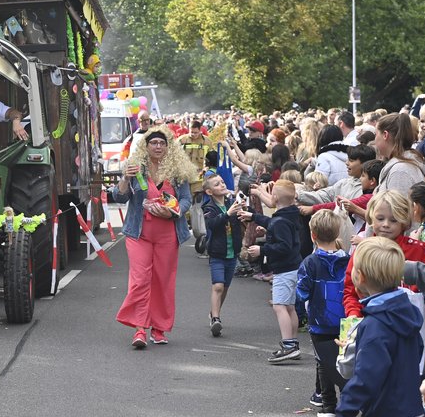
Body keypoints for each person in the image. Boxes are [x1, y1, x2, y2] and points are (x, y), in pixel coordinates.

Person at [336, 237, 425, 417]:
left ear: (360, 276)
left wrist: (347, 407)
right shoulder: (408, 313)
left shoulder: (375, 324)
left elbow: (367, 374)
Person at [111, 125, 197, 348]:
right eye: (153, 143)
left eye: (162, 143)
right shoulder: (136, 168)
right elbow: (119, 198)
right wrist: (123, 179)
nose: (158, 146)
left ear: (169, 147)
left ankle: (159, 329)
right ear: (146, 146)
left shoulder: (177, 172)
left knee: (163, 280)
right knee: (140, 280)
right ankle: (140, 329)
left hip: (168, 233)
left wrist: (172, 211)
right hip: (139, 233)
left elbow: (187, 200)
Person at [238, 179, 304, 363]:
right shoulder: (289, 214)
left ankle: (288, 345)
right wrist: (255, 217)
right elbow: (275, 224)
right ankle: (293, 343)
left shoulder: (280, 221)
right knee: (289, 307)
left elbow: (284, 246)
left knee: (279, 306)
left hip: (284, 269)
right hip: (292, 267)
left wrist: (262, 250)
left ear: (274, 197)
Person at [295, 210, 350, 417]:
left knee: (323, 361)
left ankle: (328, 405)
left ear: (312, 235)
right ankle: (347, 401)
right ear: (338, 233)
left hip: (320, 320)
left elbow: (302, 291)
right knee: (346, 358)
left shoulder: (310, 262)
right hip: (345, 318)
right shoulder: (348, 259)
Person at [342, 191, 425, 319]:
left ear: (404, 222)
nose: (386, 224)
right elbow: (350, 290)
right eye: (380, 218)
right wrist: (353, 315)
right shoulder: (362, 250)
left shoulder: (419, 250)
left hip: (411, 323)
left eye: (393, 220)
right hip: (370, 321)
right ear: (371, 218)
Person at [201, 174, 244, 337]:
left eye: (222, 182)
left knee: (225, 287)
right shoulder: (209, 207)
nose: (222, 185)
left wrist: (243, 211)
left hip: (232, 252)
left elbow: (239, 221)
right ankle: (216, 319)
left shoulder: (230, 202)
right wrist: (228, 214)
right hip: (217, 253)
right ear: (210, 191)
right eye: (217, 184)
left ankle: (214, 312)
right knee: (218, 286)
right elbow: (211, 224)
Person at [375, 113, 425, 195]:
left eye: (376, 134)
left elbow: (399, 207)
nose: (375, 140)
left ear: (385, 135)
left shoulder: (400, 171)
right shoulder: (401, 166)